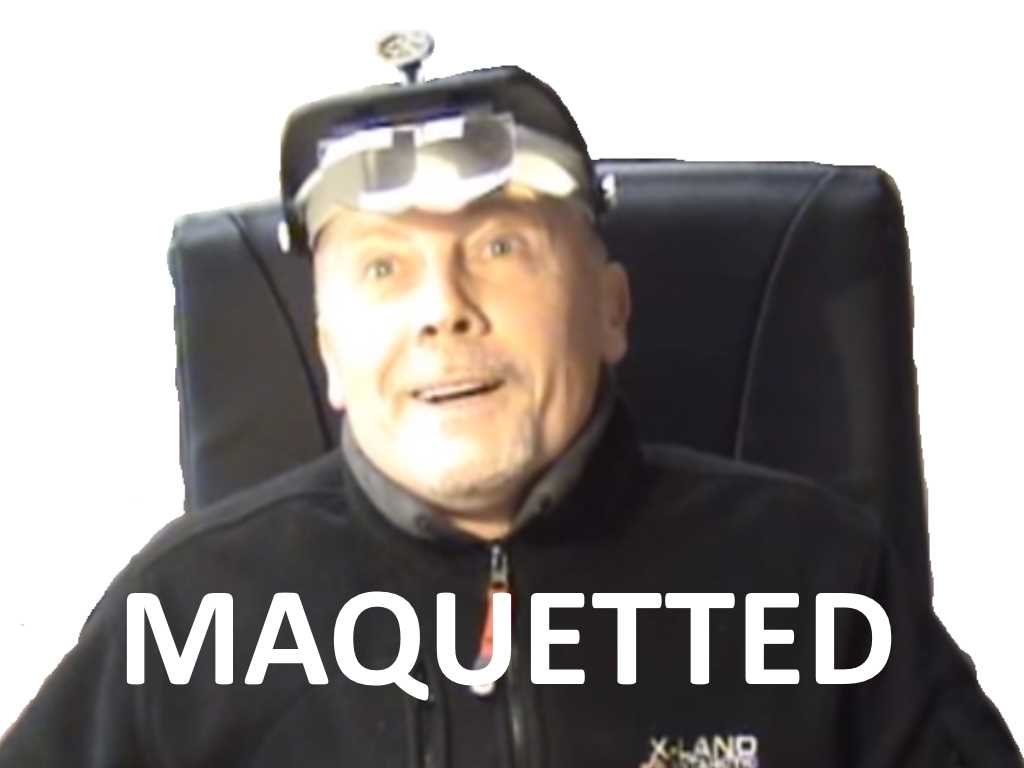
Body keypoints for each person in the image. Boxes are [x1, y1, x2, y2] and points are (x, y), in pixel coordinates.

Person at [1, 55, 1021, 768]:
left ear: (610, 309)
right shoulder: (186, 614)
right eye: (384, 268)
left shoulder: (817, 575)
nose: (443, 309)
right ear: (330, 357)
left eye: (499, 248)